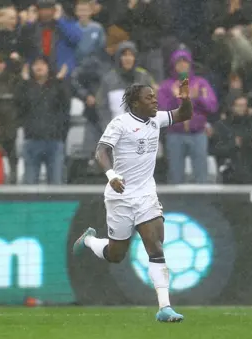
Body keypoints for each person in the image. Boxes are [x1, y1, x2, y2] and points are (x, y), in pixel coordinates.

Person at [72, 79, 193, 322]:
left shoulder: (156, 118)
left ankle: (164, 307)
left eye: (155, 97)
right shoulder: (121, 123)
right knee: (116, 255)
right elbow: (101, 151)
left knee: (155, 244)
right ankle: (90, 240)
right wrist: (111, 174)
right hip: (120, 196)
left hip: (146, 194)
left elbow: (184, 114)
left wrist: (185, 98)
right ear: (135, 103)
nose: (155, 101)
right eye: (149, 98)